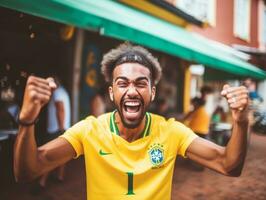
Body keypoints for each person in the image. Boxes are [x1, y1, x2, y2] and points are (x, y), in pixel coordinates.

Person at [14, 43, 249, 200]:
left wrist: (241, 122)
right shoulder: (90, 130)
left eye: (140, 83)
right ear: (111, 93)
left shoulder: (171, 132)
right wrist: (27, 121)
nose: (132, 91)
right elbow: (28, 170)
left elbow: (228, 165)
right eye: (123, 83)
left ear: (153, 93)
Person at [37, 76, 71, 190]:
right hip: (62, 128)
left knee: (49, 156)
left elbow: (60, 109)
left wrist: (61, 129)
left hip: (56, 129)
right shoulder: (63, 91)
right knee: (62, 154)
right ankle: (60, 176)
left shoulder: (57, 93)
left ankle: (41, 182)